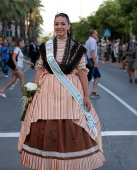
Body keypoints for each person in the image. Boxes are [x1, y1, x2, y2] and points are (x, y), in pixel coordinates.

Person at [18, 13, 105, 170]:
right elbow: (40, 70)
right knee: (45, 122)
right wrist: (32, 90)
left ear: (68, 26)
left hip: (70, 91)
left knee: (73, 122)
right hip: (47, 90)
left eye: (63, 24)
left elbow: (82, 72)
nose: (59, 27)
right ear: (54, 26)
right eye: (56, 24)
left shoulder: (78, 48)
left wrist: (86, 95)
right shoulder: (46, 47)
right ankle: (49, 162)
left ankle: (72, 163)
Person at [85, 30, 101, 98]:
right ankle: (86, 93)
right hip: (91, 62)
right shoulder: (92, 41)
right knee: (88, 78)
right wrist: (95, 62)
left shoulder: (88, 41)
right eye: (96, 34)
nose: (97, 36)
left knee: (97, 76)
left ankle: (93, 91)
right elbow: (92, 51)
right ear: (93, 34)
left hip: (89, 61)